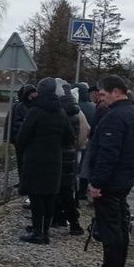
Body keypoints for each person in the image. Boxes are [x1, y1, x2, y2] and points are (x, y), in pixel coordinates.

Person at [81, 75, 134, 267]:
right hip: (123, 179)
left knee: (110, 230)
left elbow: (107, 154)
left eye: (103, 94)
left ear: (116, 92)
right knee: (119, 228)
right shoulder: (132, 115)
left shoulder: (115, 117)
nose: (100, 98)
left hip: (110, 183)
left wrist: (96, 183)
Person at [15, 78, 74, 245]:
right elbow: (69, 137)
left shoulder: (34, 111)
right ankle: (45, 232)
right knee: (49, 197)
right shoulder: (61, 112)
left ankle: (37, 232)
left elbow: (22, 137)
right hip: (54, 160)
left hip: (35, 160)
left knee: (36, 197)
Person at [52, 84, 85, 236]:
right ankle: (73, 223)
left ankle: (61, 219)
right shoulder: (76, 113)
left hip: (59, 156)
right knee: (66, 191)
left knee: (58, 191)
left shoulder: (60, 114)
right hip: (70, 155)